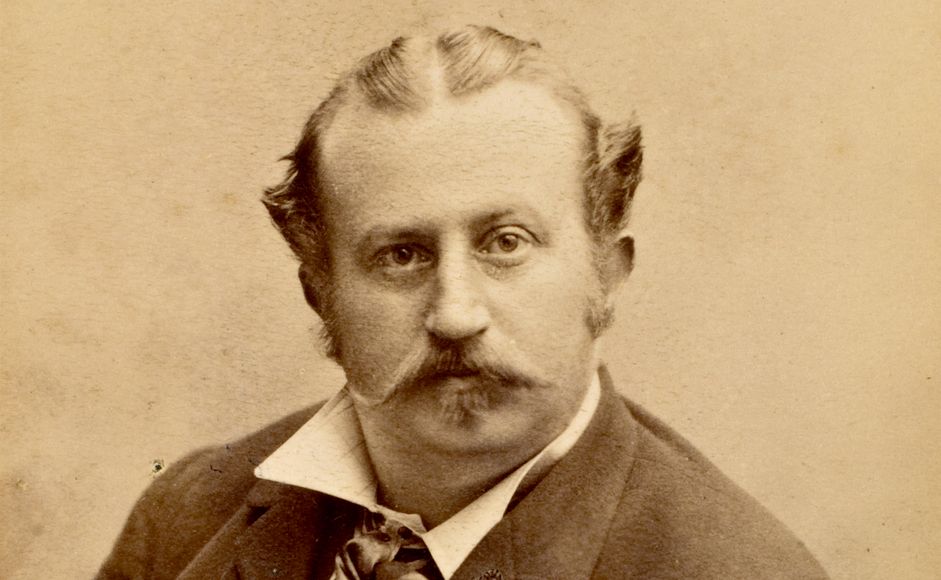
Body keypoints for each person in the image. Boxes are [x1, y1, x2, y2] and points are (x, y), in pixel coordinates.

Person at [97, 25, 828, 579]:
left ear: (606, 274)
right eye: (401, 255)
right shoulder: (185, 516)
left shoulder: (733, 568)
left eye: (505, 243)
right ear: (321, 297)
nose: (454, 314)